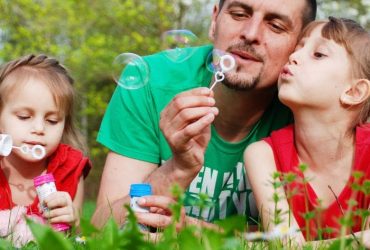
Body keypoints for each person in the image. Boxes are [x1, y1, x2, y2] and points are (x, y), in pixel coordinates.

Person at [92, 0, 317, 228]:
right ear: (214, 21)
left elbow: (311, 237)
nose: (250, 34)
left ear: (300, 47)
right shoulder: (149, 80)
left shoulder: (312, 105)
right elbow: (102, 226)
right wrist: (178, 168)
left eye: (276, 26)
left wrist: (199, 232)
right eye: (239, 14)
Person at [243, 17, 370, 245]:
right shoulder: (261, 155)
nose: (293, 56)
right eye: (297, 48)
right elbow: (287, 246)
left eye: (318, 54)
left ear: (354, 91)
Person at [0, 54, 91, 246]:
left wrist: (72, 219)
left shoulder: (70, 167)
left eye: (52, 121)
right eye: (24, 117)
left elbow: (78, 238)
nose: (39, 129)